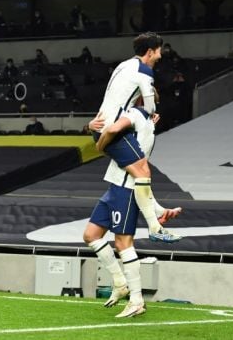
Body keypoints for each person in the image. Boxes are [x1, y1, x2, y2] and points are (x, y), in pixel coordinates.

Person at [85, 106, 181, 318]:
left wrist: (97, 140)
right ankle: (120, 283)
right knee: (91, 235)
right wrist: (90, 125)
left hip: (126, 190)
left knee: (123, 244)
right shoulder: (144, 122)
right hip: (114, 185)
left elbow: (110, 132)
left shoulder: (135, 114)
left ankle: (136, 300)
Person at [89, 32, 180, 243]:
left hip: (103, 123)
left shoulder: (123, 66)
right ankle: (155, 226)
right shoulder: (144, 72)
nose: (159, 56)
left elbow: (113, 97)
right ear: (150, 51)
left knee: (140, 173)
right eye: (158, 51)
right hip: (113, 129)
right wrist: (100, 146)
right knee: (142, 171)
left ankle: (157, 215)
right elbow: (149, 106)